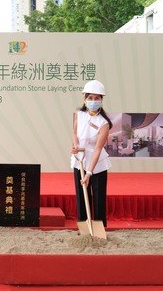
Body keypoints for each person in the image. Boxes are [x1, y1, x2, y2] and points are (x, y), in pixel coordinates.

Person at [71, 80, 112, 227]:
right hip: (79, 161)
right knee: (81, 197)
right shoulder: (78, 114)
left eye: (97, 98)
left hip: (97, 164)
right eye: (90, 98)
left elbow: (97, 149)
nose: (93, 101)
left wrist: (89, 173)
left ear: (101, 100)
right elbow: (74, 133)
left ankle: (100, 228)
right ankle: (83, 227)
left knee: (98, 198)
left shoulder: (104, 123)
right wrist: (76, 146)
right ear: (85, 99)